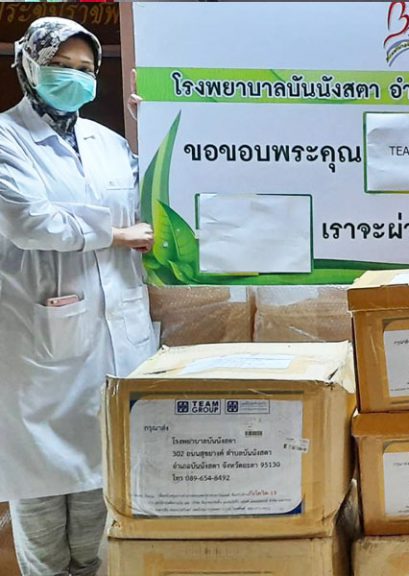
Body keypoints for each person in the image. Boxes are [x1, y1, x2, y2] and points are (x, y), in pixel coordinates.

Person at [0, 17, 157, 576]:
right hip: (39, 338)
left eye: (86, 68)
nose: (74, 77)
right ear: (28, 65)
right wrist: (113, 235)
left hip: (115, 333)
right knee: (42, 498)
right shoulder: (6, 138)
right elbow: (28, 221)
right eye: (60, 65)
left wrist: (151, 126)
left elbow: (153, 200)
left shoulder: (108, 143)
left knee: (102, 487)